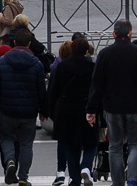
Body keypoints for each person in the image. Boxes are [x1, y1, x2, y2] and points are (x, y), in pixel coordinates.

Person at [86, 19, 137, 186]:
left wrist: (91, 108)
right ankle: (132, 179)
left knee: (115, 146)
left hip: (112, 106)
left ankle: (118, 182)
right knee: (136, 143)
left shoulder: (105, 54)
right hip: (136, 105)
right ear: (130, 33)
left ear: (114, 34)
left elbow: (96, 83)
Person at [0, 27, 46, 186]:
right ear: (29, 43)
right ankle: (23, 177)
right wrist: (43, 111)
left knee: (7, 138)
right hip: (29, 111)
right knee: (26, 144)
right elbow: (41, 90)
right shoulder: (36, 64)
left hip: (7, 110)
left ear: (14, 43)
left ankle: (10, 160)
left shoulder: (2, 62)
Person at [48, 36, 98, 186]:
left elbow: (53, 91)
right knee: (91, 143)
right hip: (86, 109)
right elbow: (97, 91)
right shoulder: (92, 68)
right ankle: (86, 166)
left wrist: (51, 112)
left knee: (70, 146)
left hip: (65, 109)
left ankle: (75, 179)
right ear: (86, 51)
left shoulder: (61, 67)